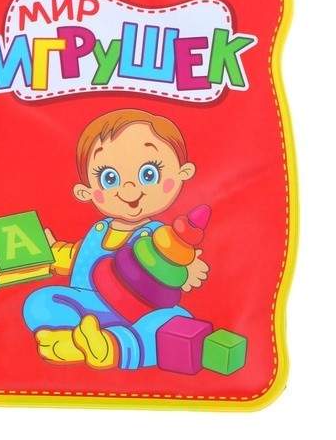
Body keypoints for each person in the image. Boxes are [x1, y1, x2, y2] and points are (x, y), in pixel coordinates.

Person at [22, 108, 208, 369]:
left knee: (176, 320)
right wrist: (55, 253)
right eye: (110, 178)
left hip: (140, 313)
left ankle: (111, 348)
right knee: (40, 301)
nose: (129, 189)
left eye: (149, 174)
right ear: (86, 192)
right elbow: (78, 257)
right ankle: (73, 340)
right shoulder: (98, 230)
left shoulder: (158, 236)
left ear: (182, 173)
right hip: (89, 305)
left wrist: (186, 270)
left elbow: (174, 265)